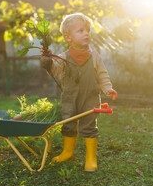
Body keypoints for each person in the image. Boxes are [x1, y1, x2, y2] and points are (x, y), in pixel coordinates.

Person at [40, 13, 117, 172]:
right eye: (80, 31)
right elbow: (54, 71)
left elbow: (102, 73)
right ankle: (68, 152)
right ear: (68, 37)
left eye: (87, 30)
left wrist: (107, 88)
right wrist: (48, 63)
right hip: (70, 98)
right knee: (68, 124)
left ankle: (91, 158)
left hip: (90, 98)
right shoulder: (62, 57)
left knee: (89, 126)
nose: (86, 33)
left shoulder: (94, 56)